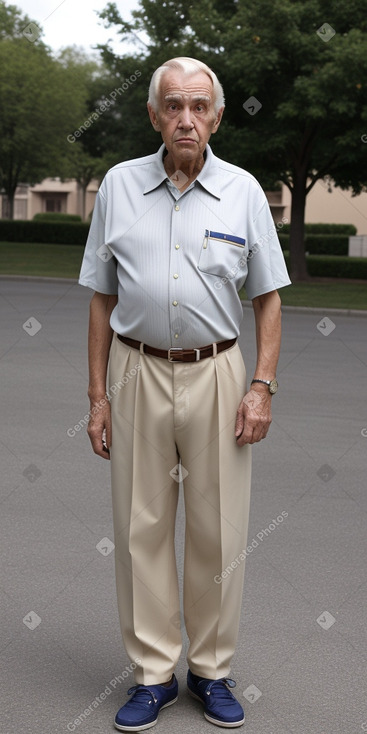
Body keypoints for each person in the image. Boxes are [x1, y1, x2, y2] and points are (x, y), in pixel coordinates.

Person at [79, 56, 291, 731]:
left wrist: (260, 386)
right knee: (139, 528)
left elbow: (267, 299)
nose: (185, 118)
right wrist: (97, 397)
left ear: (218, 116)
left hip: (218, 374)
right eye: (172, 105)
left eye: (199, 106)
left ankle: (210, 669)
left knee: (217, 529)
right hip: (134, 369)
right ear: (152, 115)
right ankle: (150, 676)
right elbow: (100, 298)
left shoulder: (243, 191)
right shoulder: (117, 185)